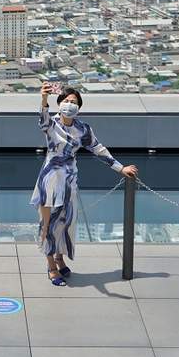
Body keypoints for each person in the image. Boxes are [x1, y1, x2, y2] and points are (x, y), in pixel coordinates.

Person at [31, 83, 137, 286]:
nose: (69, 104)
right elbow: (42, 120)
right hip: (50, 181)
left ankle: (60, 258)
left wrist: (120, 168)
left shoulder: (83, 129)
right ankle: (51, 266)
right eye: (66, 101)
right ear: (59, 103)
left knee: (65, 223)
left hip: (70, 181)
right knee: (48, 225)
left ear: (79, 106)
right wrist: (43, 99)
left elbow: (99, 149)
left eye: (73, 102)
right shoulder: (52, 124)